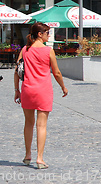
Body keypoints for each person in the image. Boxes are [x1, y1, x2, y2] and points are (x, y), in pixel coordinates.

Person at [14, 22, 68, 169]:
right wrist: (63, 87)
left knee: (28, 123)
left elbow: (17, 71)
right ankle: (39, 158)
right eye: (47, 33)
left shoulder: (25, 49)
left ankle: (27, 155)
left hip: (27, 90)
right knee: (41, 125)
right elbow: (56, 73)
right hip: (43, 91)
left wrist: (16, 90)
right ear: (40, 34)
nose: (48, 35)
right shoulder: (48, 51)